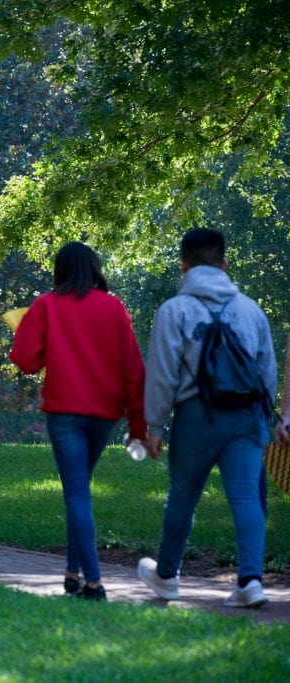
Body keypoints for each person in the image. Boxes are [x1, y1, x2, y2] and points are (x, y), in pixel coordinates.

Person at [139, 228, 276, 608]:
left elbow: (162, 374)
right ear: (224, 264)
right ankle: (250, 582)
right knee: (247, 498)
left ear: (183, 266)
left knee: (182, 497)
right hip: (247, 418)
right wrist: (264, 421)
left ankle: (167, 577)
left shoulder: (174, 311)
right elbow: (267, 373)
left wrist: (154, 426)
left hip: (196, 418)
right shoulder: (251, 310)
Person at [10, 242, 146, 601]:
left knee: (76, 492)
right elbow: (134, 370)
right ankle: (73, 573)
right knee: (79, 489)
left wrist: (23, 327)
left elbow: (26, 361)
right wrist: (138, 426)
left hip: (65, 413)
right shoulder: (114, 307)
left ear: (60, 270)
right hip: (105, 415)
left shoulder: (46, 305)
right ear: (95, 268)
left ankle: (94, 583)